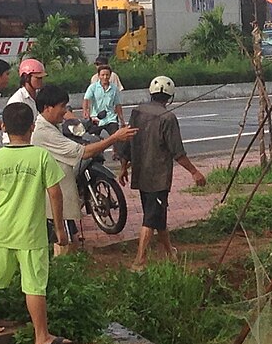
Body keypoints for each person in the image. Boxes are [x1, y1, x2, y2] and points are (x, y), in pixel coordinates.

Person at [0, 102, 71, 344]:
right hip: (31, 234)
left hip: (1, 232)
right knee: (34, 285)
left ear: (3, 127)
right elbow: (55, 194)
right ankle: (41, 336)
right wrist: (59, 229)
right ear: (32, 128)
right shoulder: (41, 156)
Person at [32, 84, 137, 255]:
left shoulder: (53, 125)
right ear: (47, 108)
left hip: (60, 193)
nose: (64, 111)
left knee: (68, 238)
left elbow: (72, 124)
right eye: (61, 107)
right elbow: (84, 152)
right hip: (55, 197)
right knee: (62, 242)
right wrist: (114, 138)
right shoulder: (44, 132)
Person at [118, 76, 205, 271]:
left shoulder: (137, 112)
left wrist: (123, 167)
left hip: (140, 173)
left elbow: (126, 142)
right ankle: (139, 260)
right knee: (150, 217)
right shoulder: (168, 118)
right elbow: (177, 152)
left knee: (158, 215)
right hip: (157, 178)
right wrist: (194, 172)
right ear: (169, 97)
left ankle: (169, 252)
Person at [82, 65, 124, 137]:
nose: (105, 77)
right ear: (99, 76)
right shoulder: (93, 87)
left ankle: (115, 148)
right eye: (103, 75)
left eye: (107, 75)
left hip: (111, 118)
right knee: (92, 140)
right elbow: (86, 99)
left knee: (117, 139)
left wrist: (122, 120)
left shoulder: (114, 88)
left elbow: (118, 105)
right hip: (96, 118)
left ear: (110, 75)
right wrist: (85, 111)